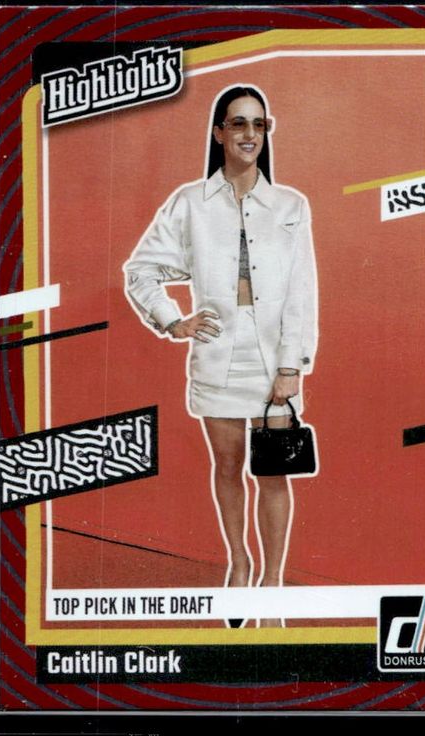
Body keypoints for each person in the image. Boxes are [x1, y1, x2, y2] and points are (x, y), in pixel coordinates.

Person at [123, 85, 318, 628]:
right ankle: (239, 562)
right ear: (219, 133)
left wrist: (291, 366)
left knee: (273, 472)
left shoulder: (291, 206)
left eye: (259, 124)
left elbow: (302, 290)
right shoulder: (190, 202)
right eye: (238, 123)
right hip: (216, 353)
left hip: (273, 356)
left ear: (266, 132)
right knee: (228, 465)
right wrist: (172, 320)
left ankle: (272, 583)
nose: (249, 134)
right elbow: (141, 270)